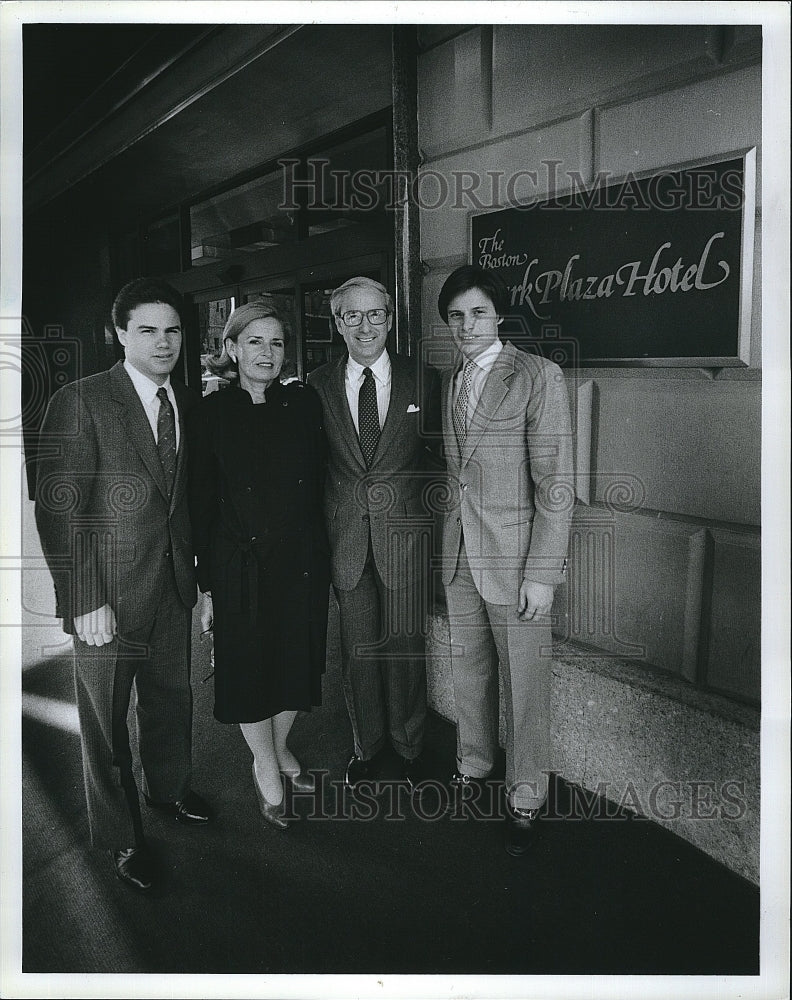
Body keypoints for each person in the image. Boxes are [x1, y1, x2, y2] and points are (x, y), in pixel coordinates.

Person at [34, 277, 213, 894]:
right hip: (105, 594)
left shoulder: (183, 399)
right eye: (148, 330)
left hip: (171, 584)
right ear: (119, 334)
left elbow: (181, 502)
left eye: (173, 331)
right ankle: (121, 837)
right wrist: (83, 599)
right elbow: (59, 506)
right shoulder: (81, 400)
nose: (164, 342)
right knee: (105, 721)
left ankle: (169, 792)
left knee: (171, 700)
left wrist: (199, 579)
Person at [437, 264, 574, 856]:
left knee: (524, 681)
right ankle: (473, 760)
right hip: (461, 555)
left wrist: (542, 575)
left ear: (499, 316)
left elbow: (556, 484)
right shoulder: (454, 380)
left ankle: (527, 791)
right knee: (470, 671)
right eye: (456, 316)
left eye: (478, 313)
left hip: (517, 562)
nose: (467, 325)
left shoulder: (537, 375)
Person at [187, 300, 329, 830]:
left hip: (300, 560)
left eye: (276, 343)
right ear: (231, 349)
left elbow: (318, 484)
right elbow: (200, 503)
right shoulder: (208, 413)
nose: (266, 353)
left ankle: (282, 743)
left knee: (297, 660)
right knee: (249, 668)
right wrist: (206, 586)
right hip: (237, 563)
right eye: (254, 342)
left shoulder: (305, 403)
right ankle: (264, 762)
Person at [308, 276, 439, 792]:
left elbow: (436, 460)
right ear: (338, 323)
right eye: (352, 317)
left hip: (403, 539)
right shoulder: (315, 385)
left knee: (406, 647)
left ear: (390, 319)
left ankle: (409, 746)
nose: (366, 326)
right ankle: (367, 745)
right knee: (357, 650)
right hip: (345, 541)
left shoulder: (423, 380)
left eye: (376, 315)